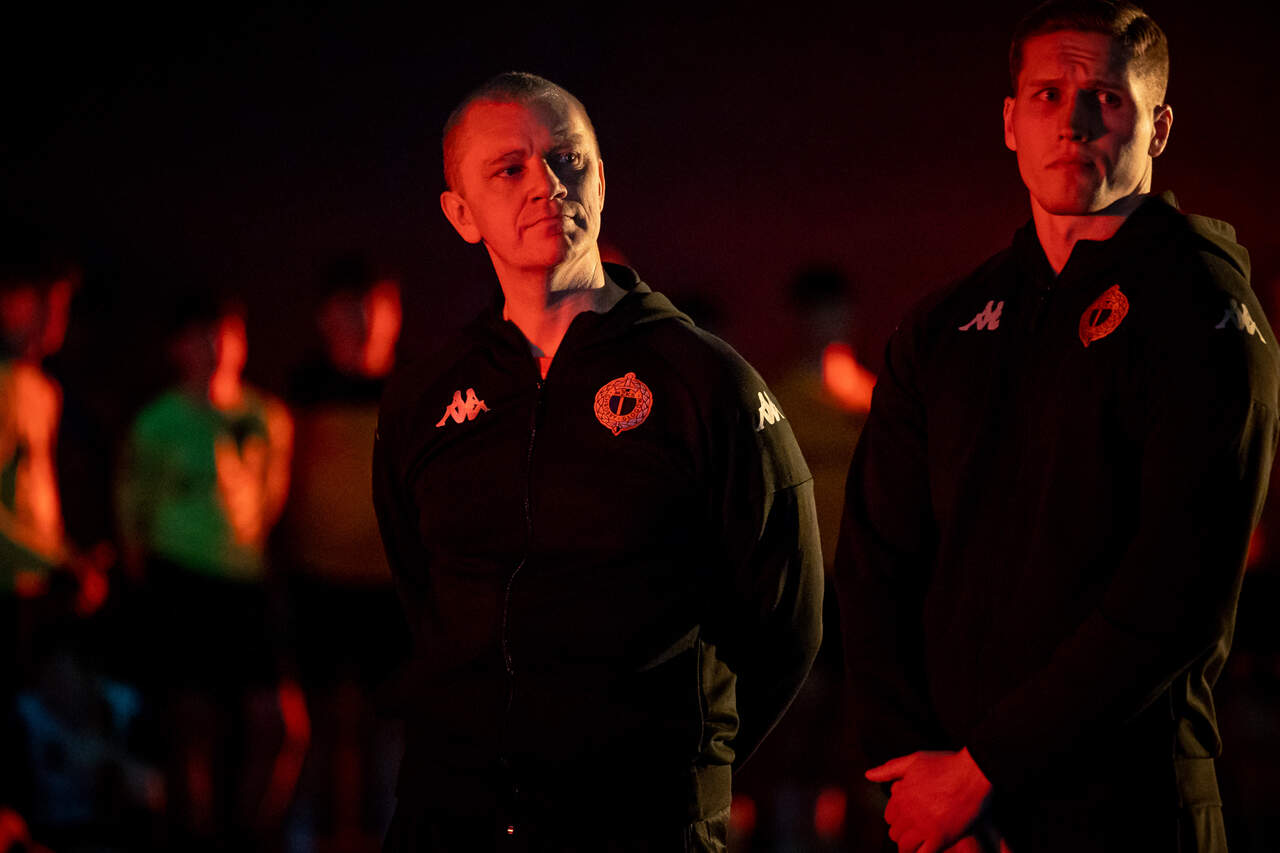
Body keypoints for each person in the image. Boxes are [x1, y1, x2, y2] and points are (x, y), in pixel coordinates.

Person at [835, 2, 1280, 851]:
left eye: (1106, 99)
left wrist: (981, 771)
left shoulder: (1205, 311)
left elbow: (1173, 593)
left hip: (1129, 809)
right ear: (1010, 122)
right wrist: (915, 776)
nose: (1073, 123)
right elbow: (874, 564)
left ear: (1159, 127)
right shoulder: (944, 326)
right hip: (947, 819)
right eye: (1047, 95)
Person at [373, 71, 823, 851]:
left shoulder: (703, 380)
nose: (545, 184)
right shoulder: (426, 398)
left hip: (642, 824)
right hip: (451, 819)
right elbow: (425, 601)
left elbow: (787, 620)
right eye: (508, 168)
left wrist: (684, 770)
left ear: (602, 179)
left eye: (567, 159)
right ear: (461, 213)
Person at [116, 294, 303, 849]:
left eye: (226, 333)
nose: (216, 347)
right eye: (201, 334)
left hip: (244, 582)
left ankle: (251, 836)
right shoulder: (157, 422)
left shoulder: (266, 416)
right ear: (178, 347)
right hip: (179, 579)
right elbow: (134, 508)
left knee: (278, 722)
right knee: (189, 720)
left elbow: (270, 498)